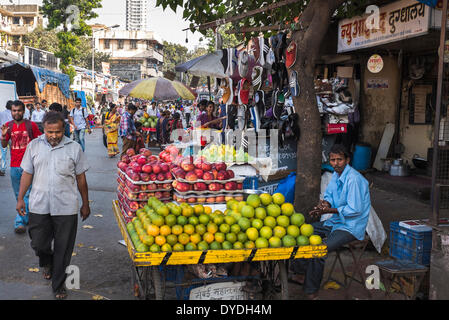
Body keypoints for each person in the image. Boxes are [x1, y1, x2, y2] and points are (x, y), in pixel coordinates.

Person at [17, 111, 90, 300]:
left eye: (57, 132)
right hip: (39, 205)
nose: (54, 136)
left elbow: (81, 178)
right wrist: (20, 199)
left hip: (66, 206)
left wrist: (85, 203)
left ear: (63, 129)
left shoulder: (74, 148)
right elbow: (27, 174)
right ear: (44, 129)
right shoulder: (34, 146)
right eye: (50, 132)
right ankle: (46, 260)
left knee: (63, 248)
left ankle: (58, 285)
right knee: (39, 243)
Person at [295, 144, 371, 300]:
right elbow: (329, 196)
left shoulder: (354, 180)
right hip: (336, 222)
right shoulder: (336, 175)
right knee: (302, 231)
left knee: (320, 249)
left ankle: (311, 290)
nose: (336, 163)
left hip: (351, 227)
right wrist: (325, 204)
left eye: (339, 160)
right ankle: (300, 273)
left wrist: (328, 211)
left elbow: (354, 210)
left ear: (347, 160)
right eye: (332, 160)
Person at [1, 100, 42, 233]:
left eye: (19, 110)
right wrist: (3, 136)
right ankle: (27, 216)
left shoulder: (31, 125)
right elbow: (3, 145)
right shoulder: (8, 126)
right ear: (11, 111)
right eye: (14, 110)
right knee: (19, 195)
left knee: (26, 195)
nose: (16, 113)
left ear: (24, 111)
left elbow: (39, 142)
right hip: (14, 166)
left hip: (29, 167)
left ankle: (20, 222)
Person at [0, 100, 14, 176]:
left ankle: (2, 169)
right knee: (14, 152)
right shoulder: (14, 114)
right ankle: (14, 168)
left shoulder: (1, 113)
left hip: (3, 135)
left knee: (3, 153)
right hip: (13, 135)